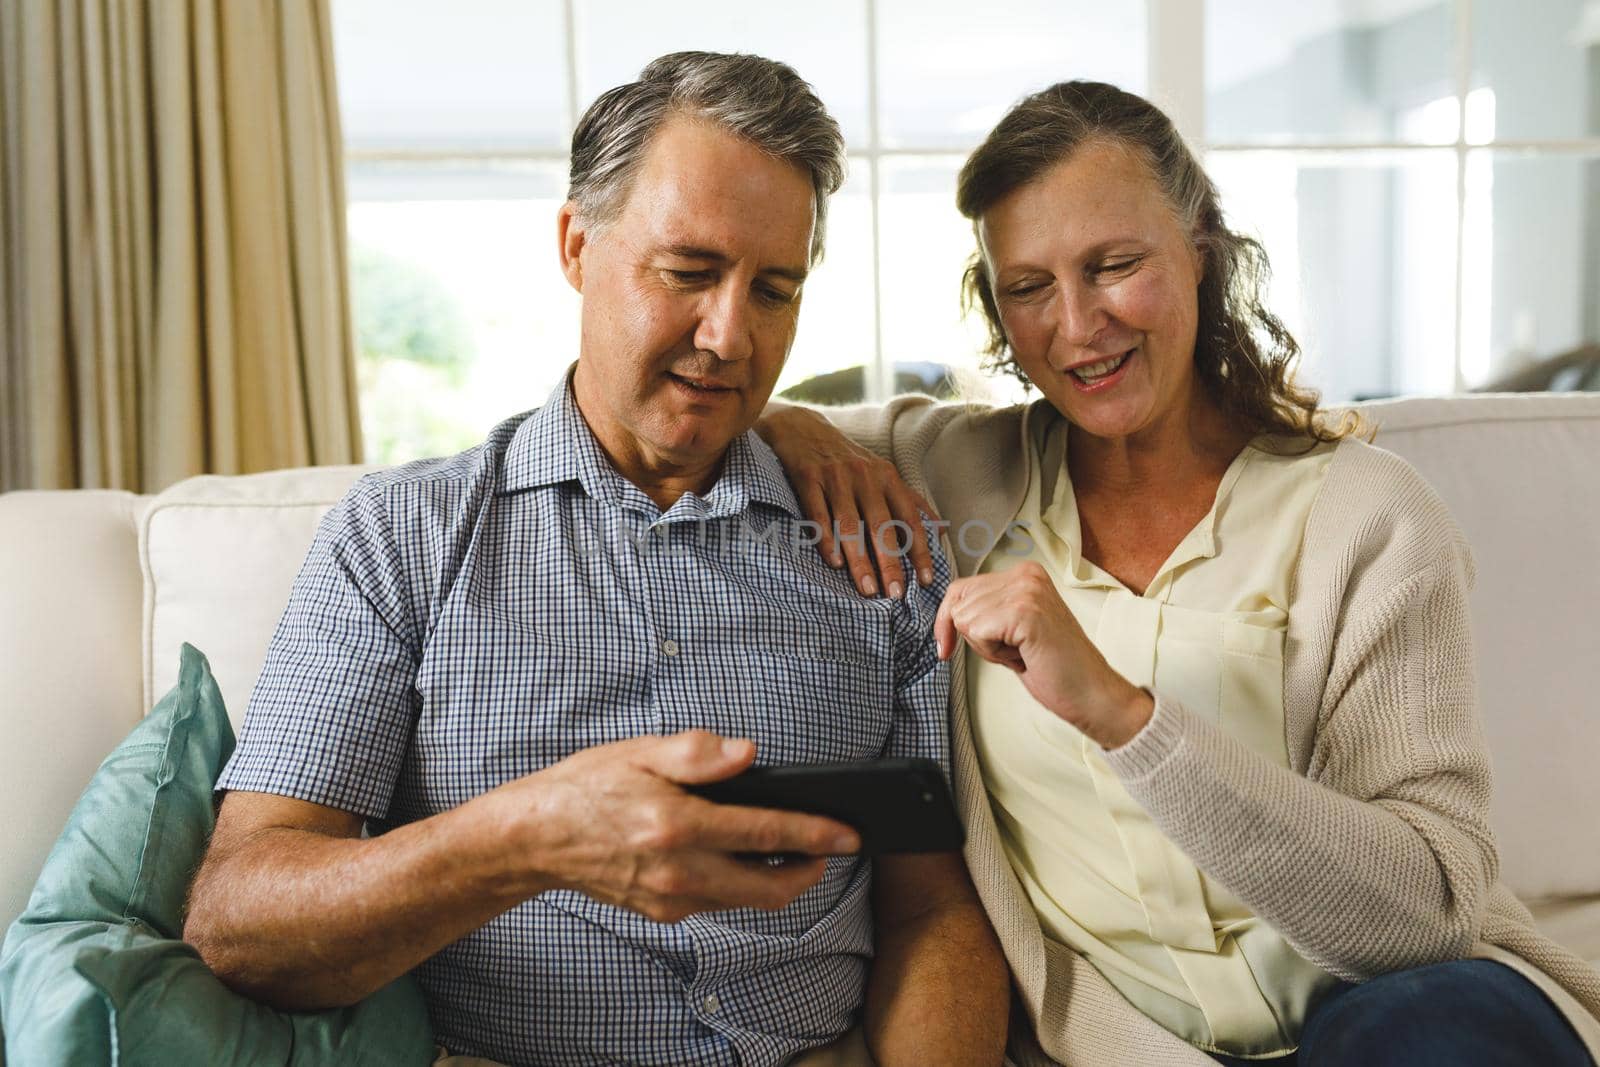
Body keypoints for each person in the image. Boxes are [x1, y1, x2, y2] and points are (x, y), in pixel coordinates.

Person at [183, 52, 1008, 1067]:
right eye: (689, 272)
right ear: (577, 243)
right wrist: (522, 839)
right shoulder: (401, 537)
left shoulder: (869, 543)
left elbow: (931, 914)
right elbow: (237, 922)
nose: (729, 335)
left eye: (774, 290)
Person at [757, 80, 1600, 1067]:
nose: (1076, 327)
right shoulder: (951, 473)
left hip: (1408, 1014)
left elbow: (1427, 915)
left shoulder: (1366, 517)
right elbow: (724, 406)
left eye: (1114, 266)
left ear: (1199, 248)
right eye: (1027, 287)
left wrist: (1124, 714)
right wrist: (803, 432)